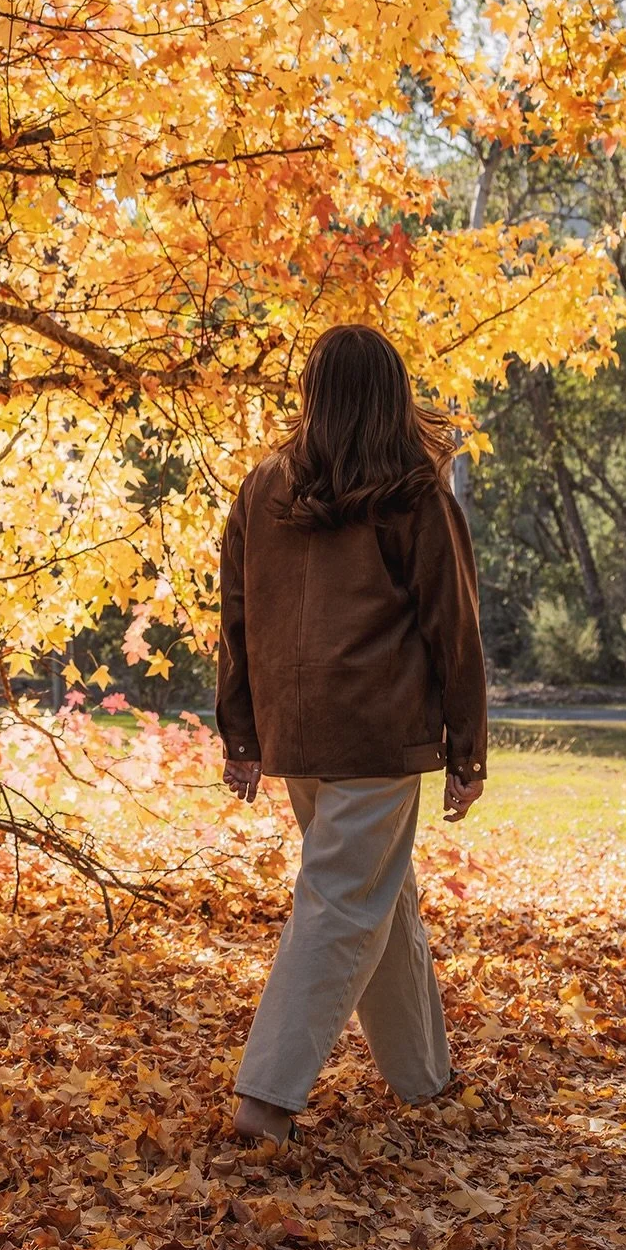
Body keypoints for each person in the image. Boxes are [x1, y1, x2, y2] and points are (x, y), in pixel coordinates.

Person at [215, 322, 487, 1149]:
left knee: (377, 895)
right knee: (342, 903)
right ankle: (265, 1100)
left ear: (315, 395)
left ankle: (425, 1080)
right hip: (376, 735)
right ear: (389, 396)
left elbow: (233, 617)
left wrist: (243, 733)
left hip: (300, 734)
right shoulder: (414, 491)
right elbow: (456, 629)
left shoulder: (262, 487)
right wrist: (467, 749)